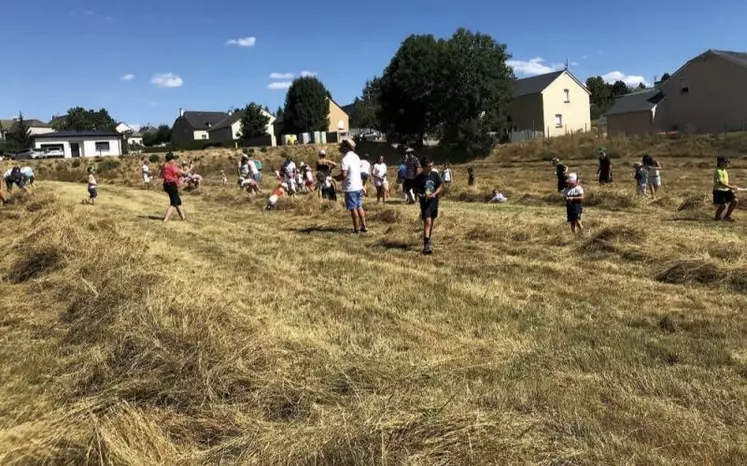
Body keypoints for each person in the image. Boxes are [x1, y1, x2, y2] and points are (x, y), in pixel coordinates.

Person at [336, 138, 367, 233]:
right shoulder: (356, 157)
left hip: (351, 187)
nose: (340, 148)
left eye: (342, 146)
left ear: (346, 147)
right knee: (359, 206)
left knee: (353, 208)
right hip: (358, 186)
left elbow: (344, 175)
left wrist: (337, 178)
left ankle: (356, 229)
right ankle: (364, 226)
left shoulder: (345, 159)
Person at [414, 156, 443, 255]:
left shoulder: (435, 174)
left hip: (434, 202)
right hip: (425, 203)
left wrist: (435, 193)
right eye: (429, 166)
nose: (431, 168)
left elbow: (439, 185)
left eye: (432, 165)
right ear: (423, 167)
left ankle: (428, 240)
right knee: (427, 222)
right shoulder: (418, 178)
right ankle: (426, 246)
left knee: (431, 223)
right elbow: (416, 191)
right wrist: (421, 195)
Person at [161, 152, 187, 223]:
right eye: (173, 159)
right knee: (174, 203)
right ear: (171, 159)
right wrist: (189, 169)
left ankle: (183, 218)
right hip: (171, 184)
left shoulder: (164, 166)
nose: (174, 161)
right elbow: (183, 173)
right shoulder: (171, 165)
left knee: (178, 201)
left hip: (166, 184)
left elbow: (162, 174)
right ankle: (165, 220)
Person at [713, 155, 738, 221]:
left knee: (735, 201)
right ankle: (717, 217)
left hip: (726, 190)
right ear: (719, 162)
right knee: (723, 206)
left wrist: (730, 189)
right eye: (726, 161)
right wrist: (732, 187)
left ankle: (727, 216)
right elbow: (721, 183)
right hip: (719, 191)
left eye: (728, 161)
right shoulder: (718, 171)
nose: (727, 163)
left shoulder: (724, 171)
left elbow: (725, 183)